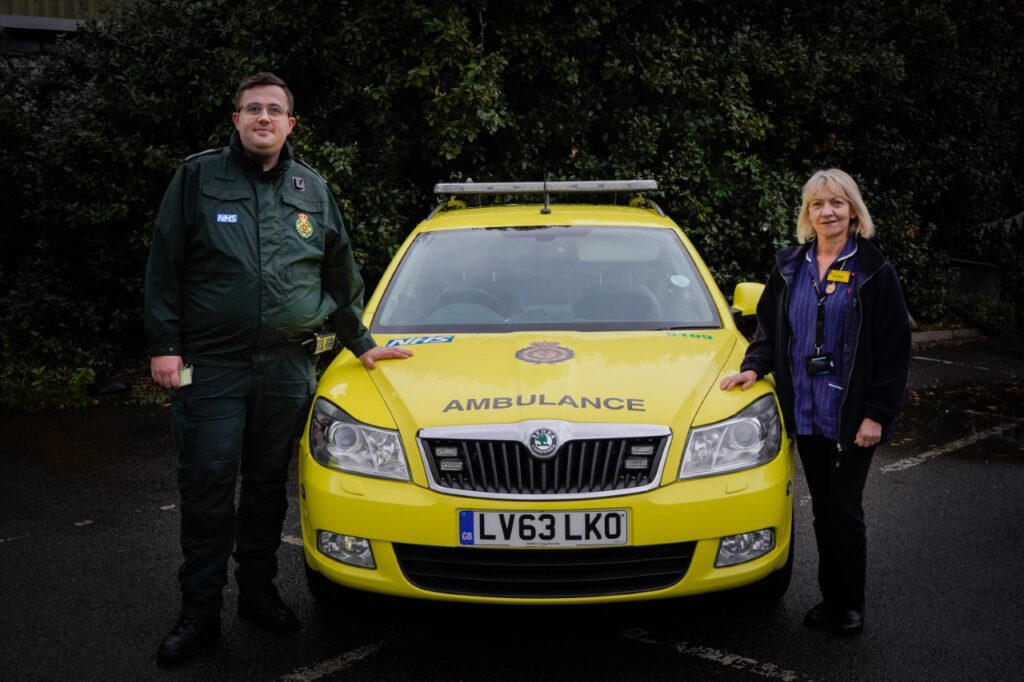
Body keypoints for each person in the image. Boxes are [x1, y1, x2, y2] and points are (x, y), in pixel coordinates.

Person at [144, 72, 412, 665]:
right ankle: (199, 612)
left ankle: (259, 595)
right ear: (235, 119)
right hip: (207, 366)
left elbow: (340, 274)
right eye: (252, 109)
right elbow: (165, 263)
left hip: (287, 366)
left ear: (291, 124)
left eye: (275, 110)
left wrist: (362, 342)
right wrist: (163, 345)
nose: (263, 118)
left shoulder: (310, 188)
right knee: (208, 483)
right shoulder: (197, 178)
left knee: (268, 487)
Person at [720, 168, 910, 636]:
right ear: (808, 213)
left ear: (853, 211)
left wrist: (877, 415)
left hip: (851, 413)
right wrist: (753, 367)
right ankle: (830, 598)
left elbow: (894, 348)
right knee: (823, 508)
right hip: (805, 409)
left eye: (837, 203)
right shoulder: (789, 266)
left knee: (845, 507)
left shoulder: (873, 271)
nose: (828, 212)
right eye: (819, 204)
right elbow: (770, 329)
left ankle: (850, 604)